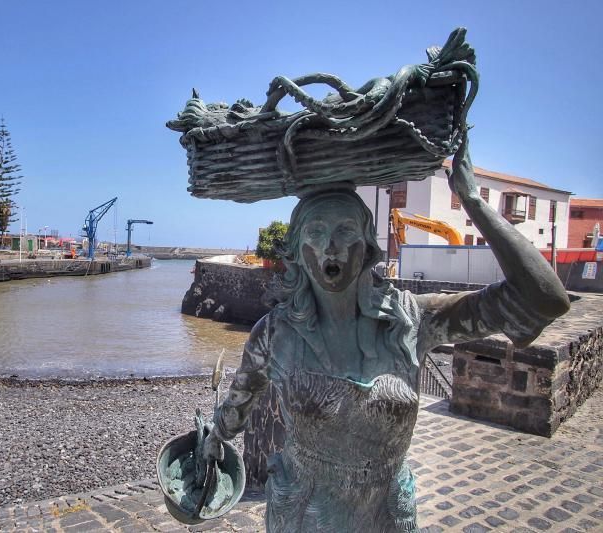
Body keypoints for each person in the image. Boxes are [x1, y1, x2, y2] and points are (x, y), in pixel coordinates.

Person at [201, 133, 570, 532]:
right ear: (296, 251)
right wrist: (214, 438)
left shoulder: (414, 319)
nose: (330, 248)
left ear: (367, 245)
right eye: (316, 232)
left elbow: (542, 300)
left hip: (386, 512)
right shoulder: (274, 334)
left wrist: (474, 203)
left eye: (345, 231)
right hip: (301, 511)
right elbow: (240, 399)